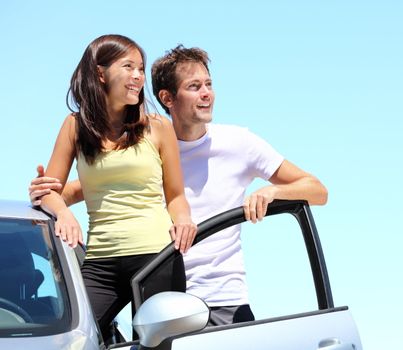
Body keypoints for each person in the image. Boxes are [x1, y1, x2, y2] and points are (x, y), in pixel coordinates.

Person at [30, 45, 328, 326]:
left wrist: (273, 191)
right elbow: (85, 189)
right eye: (194, 87)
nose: (207, 94)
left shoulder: (240, 143)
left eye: (209, 84)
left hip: (222, 300)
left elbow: (316, 189)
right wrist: (45, 192)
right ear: (167, 97)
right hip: (158, 291)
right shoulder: (145, 147)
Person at [35, 35, 197, 342]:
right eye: (129, 67)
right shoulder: (74, 126)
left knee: (157, 345)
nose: (138, 76)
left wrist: (184, 219)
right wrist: (63, 214)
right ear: (100, 73)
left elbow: (176, 195)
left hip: (157, 257)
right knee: (73, 340)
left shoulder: (158, 127)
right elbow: (48, 190)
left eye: (141, 68)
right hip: (100, 261)